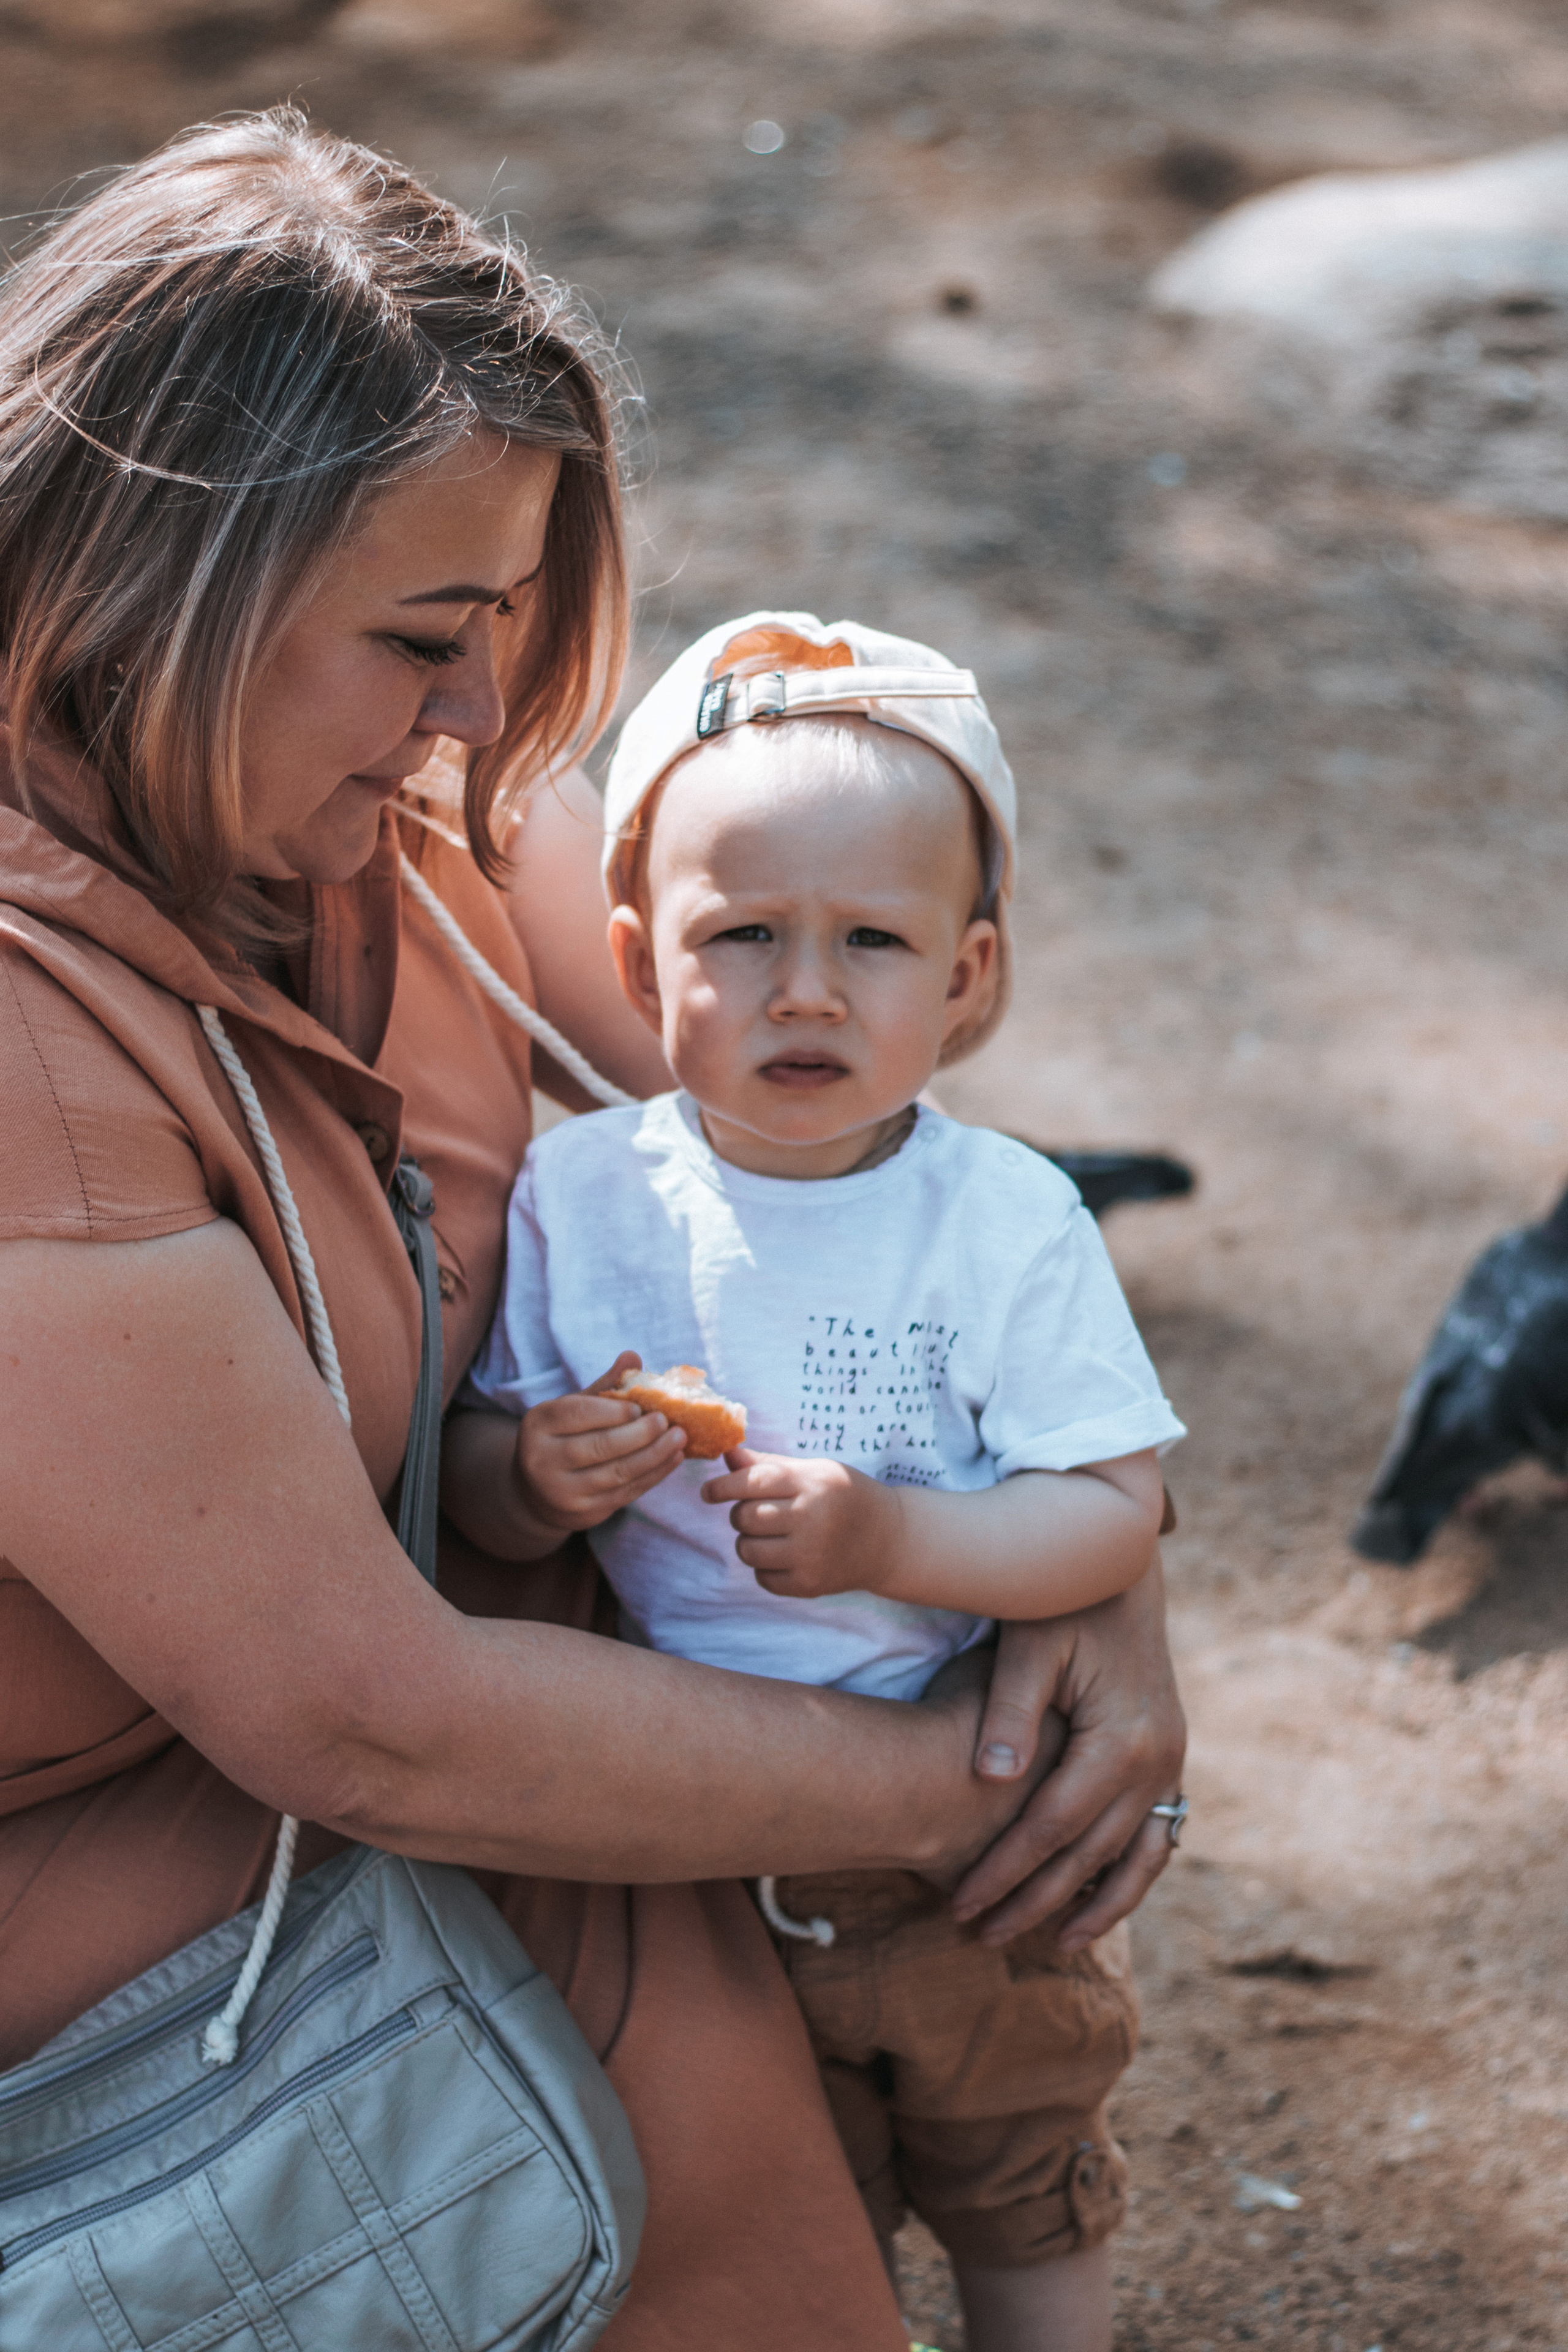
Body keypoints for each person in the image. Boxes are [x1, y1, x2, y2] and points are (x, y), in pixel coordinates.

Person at [0, 112, 1187, 2350]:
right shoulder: (28, 1057)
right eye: (428, 636)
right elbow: (370, 1725)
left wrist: (1101, 1562)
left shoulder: (373, 779)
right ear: (173, 586)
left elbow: (823, 1137)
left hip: (503, 1676)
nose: (487, 723)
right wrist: (976, 1780)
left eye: (509, 632)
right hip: (168, 1833)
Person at [445, 613, 1186, 2352]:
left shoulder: (1003, 1219)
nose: (804, 989)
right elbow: (474, 1482)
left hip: (973, 1872)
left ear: (969, 979)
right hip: (696, 1852)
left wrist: (895, 1533)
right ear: (638, 966)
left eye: (872, 941)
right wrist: (536, 1476)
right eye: (744, 936)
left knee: (1023, 2183)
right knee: (795, 2210)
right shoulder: (582, 1198)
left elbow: (1109, 1507)